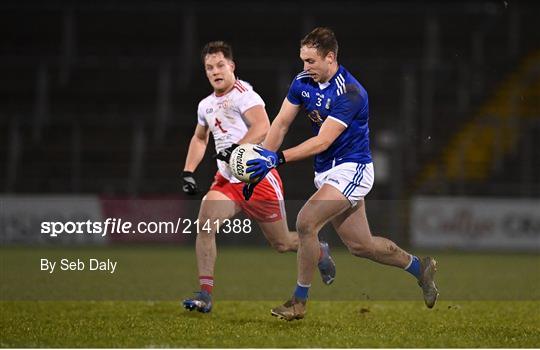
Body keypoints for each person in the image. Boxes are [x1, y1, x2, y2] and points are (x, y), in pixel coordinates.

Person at [243, 28, 439, 321]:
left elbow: (323, 141)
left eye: (310, 61)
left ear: (330, 57)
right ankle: (418, 268)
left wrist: (278, 158)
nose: (305, 67)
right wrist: (263, 166)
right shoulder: (302, 82)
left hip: (353, 169)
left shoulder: (351, 93)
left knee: (306, 222)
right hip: (326, 171)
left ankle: (299, 302)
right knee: (361, 246)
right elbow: (281, 124)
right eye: (302, 60)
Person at [180, 41, 336, 313]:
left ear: (231, 66)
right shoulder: (205, 105)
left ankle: (319, 251)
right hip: (227, 181)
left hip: (257, 178)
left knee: (282, 243)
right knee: (205, 223)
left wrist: (236, 148)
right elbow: (199, 137)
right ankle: (205, 293)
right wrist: (188, 171)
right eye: (209, 67)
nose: (215, 71)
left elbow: (263, 127)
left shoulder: (244, 94)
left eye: (220, 65)